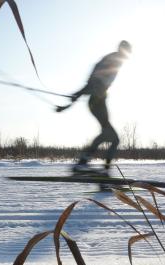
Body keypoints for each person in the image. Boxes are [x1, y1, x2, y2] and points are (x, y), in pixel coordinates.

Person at [56, 40, 132, 176]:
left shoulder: (114, 61)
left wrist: (71, 102)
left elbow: (92, 81)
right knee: (113, 138)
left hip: (98, 102)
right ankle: (97, 168)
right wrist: (76, 97)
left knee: (107, 135)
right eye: (127, 52)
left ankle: (86, 164)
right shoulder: (112, 60)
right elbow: (94, 81)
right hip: (96, 103)